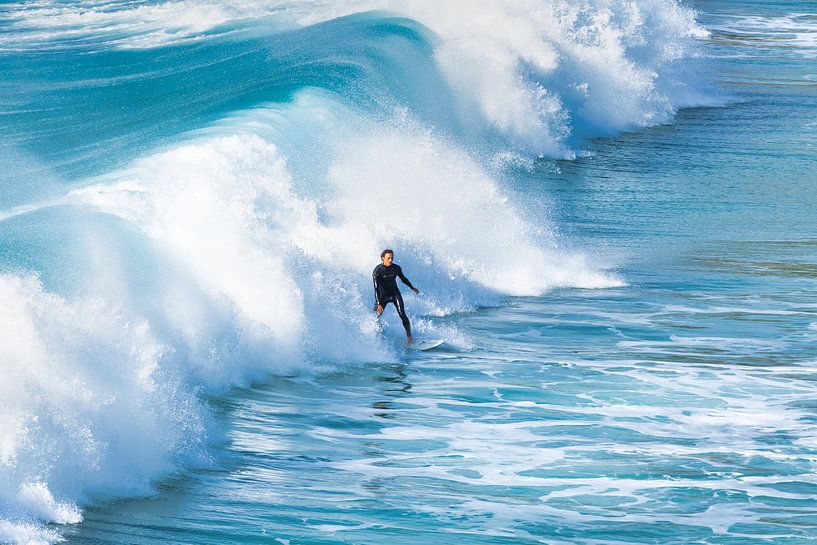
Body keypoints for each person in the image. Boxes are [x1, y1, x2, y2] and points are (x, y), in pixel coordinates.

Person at [372, 249, 420, 345]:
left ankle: (409, 337)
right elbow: (376, 288)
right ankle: (377, 336)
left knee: (402, 314)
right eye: (388, 258)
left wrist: (412, 288)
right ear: (383, 258)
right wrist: (378, 303)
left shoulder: (396, 268)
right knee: (375, 317)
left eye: (392, 258)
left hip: (394, 294)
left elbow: (403, 279)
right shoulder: (377, 271)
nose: (390, 260)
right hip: (382, 296)